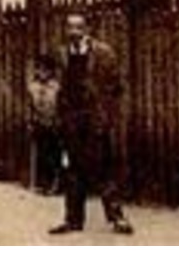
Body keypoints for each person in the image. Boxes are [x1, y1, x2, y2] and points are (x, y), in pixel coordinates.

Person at [49, 13, 134, 236]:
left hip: (95, 119)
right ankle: (73, 219)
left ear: (87, 29)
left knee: (104, 169)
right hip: (71, 120)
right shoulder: (61, 54)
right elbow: (58, 87)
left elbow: (116, 87)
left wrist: (106, 115)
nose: (74, 32)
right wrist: (61, 116)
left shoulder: (103, 53)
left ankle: (117, 218)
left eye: (78, 27)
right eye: (70, 27)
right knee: (72, 170)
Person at [26, 53, 64, 195]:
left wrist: (59, 122)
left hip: (54, 124)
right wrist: (30, 121)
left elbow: (60, 106)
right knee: (41, 154)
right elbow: (30, 106)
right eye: (39, 69)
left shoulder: (56, 87)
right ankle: (41, 183)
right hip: (39, 123)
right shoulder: (33, 86)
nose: (42, 73)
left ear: (51, 71)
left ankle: (56, 184)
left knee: (55, 155)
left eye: (45, 70)